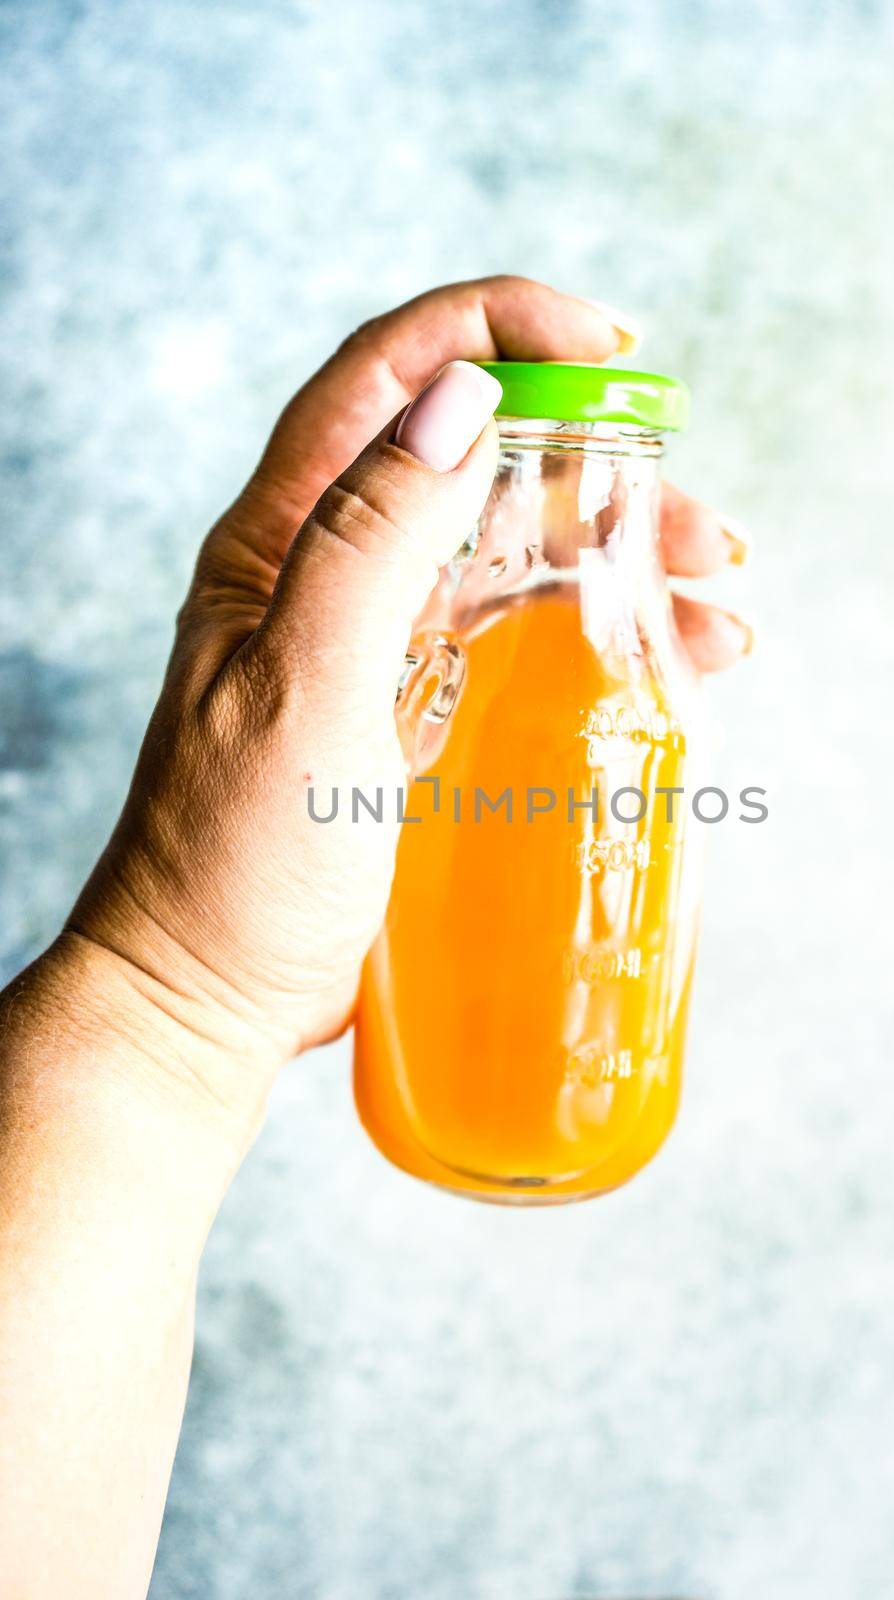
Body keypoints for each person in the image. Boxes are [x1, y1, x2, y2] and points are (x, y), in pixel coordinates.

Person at [0, 276, 753, 1599]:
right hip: (415, 1100)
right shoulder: (460, 649)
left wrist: (185, 986)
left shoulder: (609, 656)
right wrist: (183, 981)